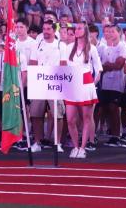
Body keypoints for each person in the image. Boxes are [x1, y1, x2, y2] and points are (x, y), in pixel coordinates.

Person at [29, 20, 67, 153]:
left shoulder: (61, 45)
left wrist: (55, 78)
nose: (45, 31)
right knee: (36, 114)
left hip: (55, 83)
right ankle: (37, 142)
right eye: (44, 29)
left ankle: (57, 143)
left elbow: (63, 65)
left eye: (48, 29)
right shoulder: (37, 44)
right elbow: (33, 63)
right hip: (39, 82)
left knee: (58, 115)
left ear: (54, 30)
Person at [65, 22, 102, 158]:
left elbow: (98, 68)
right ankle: (75, 146)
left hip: (86, 84)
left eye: (79, 28)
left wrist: (93, 83)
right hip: (71, 84)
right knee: (70, 119)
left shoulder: (91, 48)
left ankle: (82, 147)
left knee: (86, 118)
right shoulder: (68, 47)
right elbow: (63, 66)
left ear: (85, 31)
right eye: (76, 28)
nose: (76, 30)